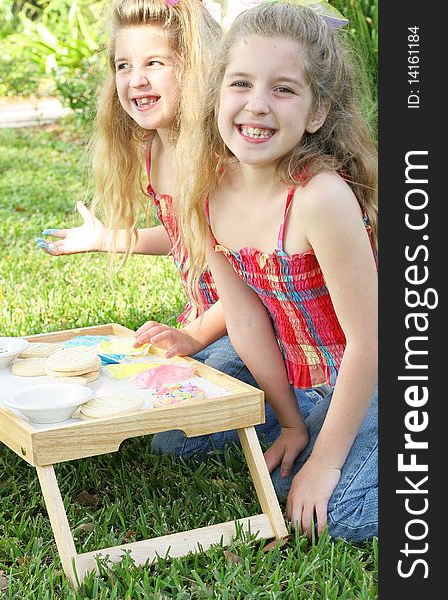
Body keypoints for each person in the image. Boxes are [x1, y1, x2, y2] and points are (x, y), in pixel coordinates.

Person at [35, 0, 321, 457]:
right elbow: (185, 235)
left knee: (178, 438)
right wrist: (107, 238)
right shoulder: (155, 148)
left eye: (155, 63)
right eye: (123, 65)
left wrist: (195, 337)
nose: (136, 80)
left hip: (264, 323)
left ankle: (311, 405)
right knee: (152, 403)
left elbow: (250, 286)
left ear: (195, 69)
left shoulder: (220, 161)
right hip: (216, 319)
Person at [176, 1, 378, 542]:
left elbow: (370, 341)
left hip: (375, 372)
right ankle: (308, 427)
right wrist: (289, 421)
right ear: (217, 94)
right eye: (240, 83)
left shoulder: (320, 196)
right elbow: (244, 322)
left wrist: (326, 462)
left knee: (337, 515)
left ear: (317, 112)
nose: (257, 106)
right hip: (297, 374)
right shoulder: (207, 190)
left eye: (284, 89)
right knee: (178, 438)